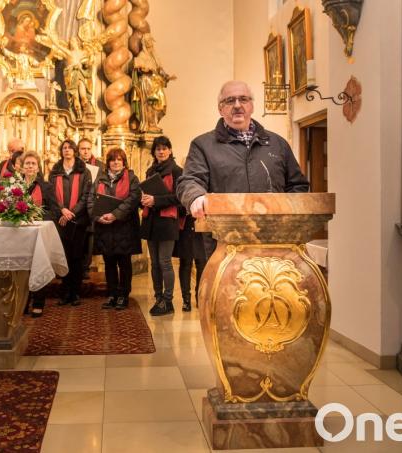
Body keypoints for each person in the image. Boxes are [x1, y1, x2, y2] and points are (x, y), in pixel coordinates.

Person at [176, 80, 309, 258]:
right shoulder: (203, 145)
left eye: (243, 99)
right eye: (230, 101)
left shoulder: (278, 144)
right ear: (220, 109)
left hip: (275, 242)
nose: (237, 105)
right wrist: (196, 197)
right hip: (225, 245)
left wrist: (288, 219)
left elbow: (297, 185)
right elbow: (190, 180)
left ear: (252, 105)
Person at [90, 147, 142, 310]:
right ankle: (112, 294)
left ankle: (123, 295)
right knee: (109, 262)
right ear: (108, 163)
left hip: (124, 227)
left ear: (124, 162)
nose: (116, 163)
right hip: (105, 228)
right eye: (113, 160)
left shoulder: (132, 178)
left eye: (119, 160)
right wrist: (98, 216)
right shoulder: (99, 179)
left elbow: (132, 200)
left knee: (124, 262)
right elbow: (91, 200)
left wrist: (114, 215)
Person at [140, 136, 184, 316]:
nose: (161, 151)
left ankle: (168, 300)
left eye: (165, 148)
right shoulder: (150, 171)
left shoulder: (177, 171)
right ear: (154, 152)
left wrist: (155, 200)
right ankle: (158, 298)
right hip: (151, 221)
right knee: (154, 264)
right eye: (158, 148)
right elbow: (147, 193)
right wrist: (143, 198)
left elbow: (179, 198)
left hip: (167, 221)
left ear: (170, 150)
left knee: (165, 262)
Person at [48, 139, 92, 306]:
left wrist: (72, 212)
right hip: (61, 220)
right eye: (64, 148)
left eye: (69, 148)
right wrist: (62, 210)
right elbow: (51, 195)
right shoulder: (55, 171)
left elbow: (86, 195)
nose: (67, 150)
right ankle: (65, 292)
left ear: (74, 151)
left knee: (76, 257)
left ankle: (75, 292)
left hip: (78, 220)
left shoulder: (84, 171)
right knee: (63, 257)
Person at [21, 151, 58, 317]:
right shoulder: (14, 186)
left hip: (39, 232)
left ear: (38, 167)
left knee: (38, 265)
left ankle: (38, 302)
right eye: (27, 163)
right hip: (19, 233)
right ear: (22, 167)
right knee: (22, 268)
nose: (30, 166)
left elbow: (54, 211)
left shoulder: (46, 186)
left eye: (33, 163)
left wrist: (35, 217)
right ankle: (22, 301)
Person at [78, 137, 103, 280]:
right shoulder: (75, 164)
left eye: (88, 148)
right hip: (78, 204)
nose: (86, 151)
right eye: (83, 149)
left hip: (92, 203)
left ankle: (85, 267)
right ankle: (76, 267)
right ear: (79, 150)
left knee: (90, 237)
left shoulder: (99, 165)